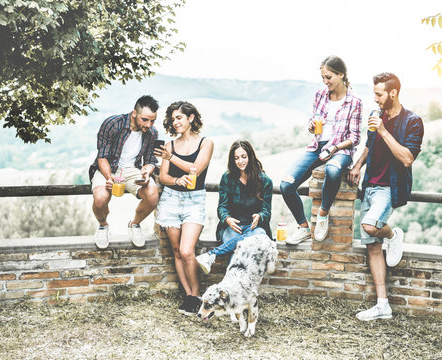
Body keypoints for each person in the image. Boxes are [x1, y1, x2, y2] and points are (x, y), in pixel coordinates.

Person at [348, 72, 424, 321]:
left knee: (370, 226)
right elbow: (369, 145)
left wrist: (383, 130)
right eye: (374, 94)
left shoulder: (413, 121)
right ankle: (383, 305)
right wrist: (358, 165)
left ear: (393, 93)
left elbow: (407, 158)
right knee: (372, 249)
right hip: (369, 185)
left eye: (379, 94)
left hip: (389, 188)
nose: (376, 98)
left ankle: (393, 234)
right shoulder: (375, 115)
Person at [280, 55, 362, 244]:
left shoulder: (354, 102)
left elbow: (355, 137)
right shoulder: (320, 95)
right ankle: (303, 227)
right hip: (317, 146)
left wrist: (335, 147)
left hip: (340, 150)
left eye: (329, 77)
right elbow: (315, 119)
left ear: (341, 74)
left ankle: (322, 215)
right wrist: (311, 125)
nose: (325, 82)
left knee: (333, 171)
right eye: (323, 78)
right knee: (286, 185)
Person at [155, 101, 214, 316]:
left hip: (194, 201)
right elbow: (164, 177)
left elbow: (195, 169)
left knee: (188, 250)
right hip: (171, 199)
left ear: (190, 118)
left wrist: (171, 159)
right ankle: (188, 296)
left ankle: (196, 296)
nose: (175, 122)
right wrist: (175, 181)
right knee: (177, 251)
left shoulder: (206, 143)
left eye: (179, 117)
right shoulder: (169, 145)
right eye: (172, 119)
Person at [90, 95, 160, 249]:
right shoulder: (112, 124)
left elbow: (150, 161)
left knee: (153, 194)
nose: (149, 124)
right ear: (134, 113)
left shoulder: (152, 133)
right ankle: (103, 226)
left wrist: (147, 173)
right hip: (108, 167)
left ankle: (134, 225)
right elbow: (102, 157)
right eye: (145, 119)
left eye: (153, 120)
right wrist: (109, 178)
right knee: (101, 198)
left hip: (132, 170)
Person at [196, 140, 273, 274]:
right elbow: (222, 207)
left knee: (258, 237)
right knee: (240, 247)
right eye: (236, 158)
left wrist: (260, 216)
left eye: (244, 156)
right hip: (232, 227)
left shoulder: (265, 181)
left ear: (251, 156)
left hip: (254, 227)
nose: (240, 161)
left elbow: (267, 211)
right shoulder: (227, 178)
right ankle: (237, 289)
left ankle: (211, 255)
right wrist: (227, 219)